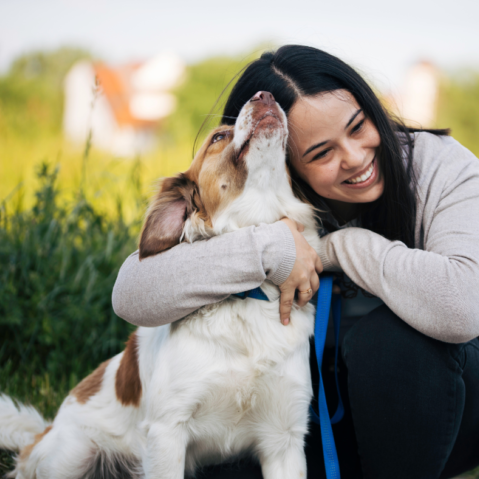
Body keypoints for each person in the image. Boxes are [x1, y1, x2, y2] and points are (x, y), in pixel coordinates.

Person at [112, 45, 479, 479]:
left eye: (358, 125)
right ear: (283, 159)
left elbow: (462, 306)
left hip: (440, 402)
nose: (357, 157)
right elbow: (132, 293)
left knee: (391, 343)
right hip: (314, 421)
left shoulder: (438, 165)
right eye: (322, 153)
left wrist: (337, 248)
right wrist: (271, 247)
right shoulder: (267, 204)